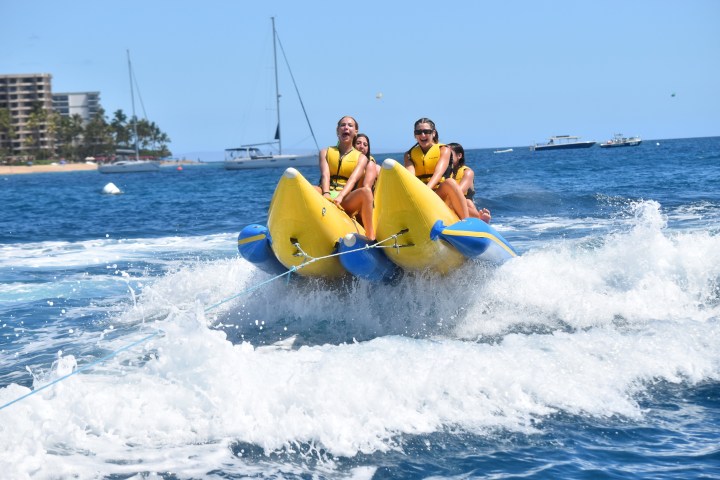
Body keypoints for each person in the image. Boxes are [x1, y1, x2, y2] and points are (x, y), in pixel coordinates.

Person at [316, 115, 375, 240]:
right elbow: (325, 174)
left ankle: (371, 237)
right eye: (342, 125)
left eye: (350, 125)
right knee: (308, 188)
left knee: (366, 192)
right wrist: (326, 193)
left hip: (346, 198)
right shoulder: (325, 152)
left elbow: (353, 179)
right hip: (326, 191)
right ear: (337, 131)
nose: (346, 128)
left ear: (355, 132)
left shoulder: (361, 158)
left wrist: (340, 196)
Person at [403, 118, 469, 219]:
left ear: (433, 133)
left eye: (426, 132)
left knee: (450, 182)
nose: (423, 135)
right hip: (419, 194)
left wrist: (427, 191)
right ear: (414, 135)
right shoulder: (409, 155)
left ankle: (466, 222)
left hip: (440, 194)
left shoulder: (444, 149)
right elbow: (410, 176)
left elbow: (439, 173)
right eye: (419, 132)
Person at [447, 142, 492, 223]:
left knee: (467, 202)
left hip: (465, 206)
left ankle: (480, 218)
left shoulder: (467, 172)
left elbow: (458, 192)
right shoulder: (445, 172)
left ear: (459, 156)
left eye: (450, 155)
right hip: (450, 206)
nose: (446, 157)